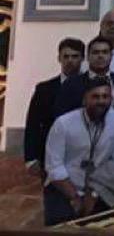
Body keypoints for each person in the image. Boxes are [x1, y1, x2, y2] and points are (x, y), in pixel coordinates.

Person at [43, 77, 114, 225]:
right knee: (62, 228)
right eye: (95, 97)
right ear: (84, 99)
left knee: (107, 227)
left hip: (103, 187)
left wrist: (94, 193)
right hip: (65, 186)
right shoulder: (63, 123)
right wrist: (74, 197)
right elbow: (54, 166)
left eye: (105, 97)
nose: (101, 101)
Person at [25, 38, 85, 179]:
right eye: (66, 56)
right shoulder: (44, 89)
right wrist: (31, 158)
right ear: (59, 58)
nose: (70, 60)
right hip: (50, 154)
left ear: (83, 58)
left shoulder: (91, 87)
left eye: (75, 56)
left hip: (82, 155)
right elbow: (33, 124)